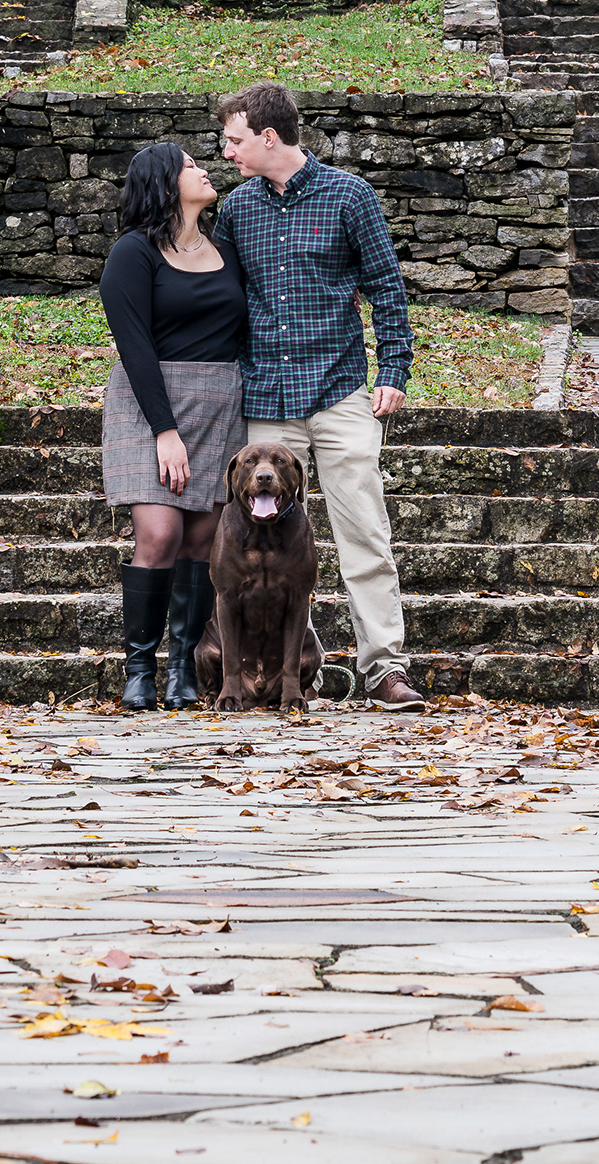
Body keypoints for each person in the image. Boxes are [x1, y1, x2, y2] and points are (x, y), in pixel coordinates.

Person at [206, 80, 423, 711]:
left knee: (364, 535)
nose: (227, 152)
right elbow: (222, 297)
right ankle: (295, 669)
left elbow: (386, 286)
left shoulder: (349, 196)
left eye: (235, 140)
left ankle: (384, 668)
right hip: (267, 401)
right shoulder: (237, 210)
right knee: (259, 543)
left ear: (269, 137)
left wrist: (394, 368)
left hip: (339, 391)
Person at [99, 139, 243, 711]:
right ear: (163, 183)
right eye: (190, 166)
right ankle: (139, 669)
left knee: (203, 541)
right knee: (160, 535)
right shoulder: (133, 252)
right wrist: (164, 430)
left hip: (219, 404)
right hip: (149, 404)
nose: (204, 170)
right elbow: (134, 347)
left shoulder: (226, 248)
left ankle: (183, 668)